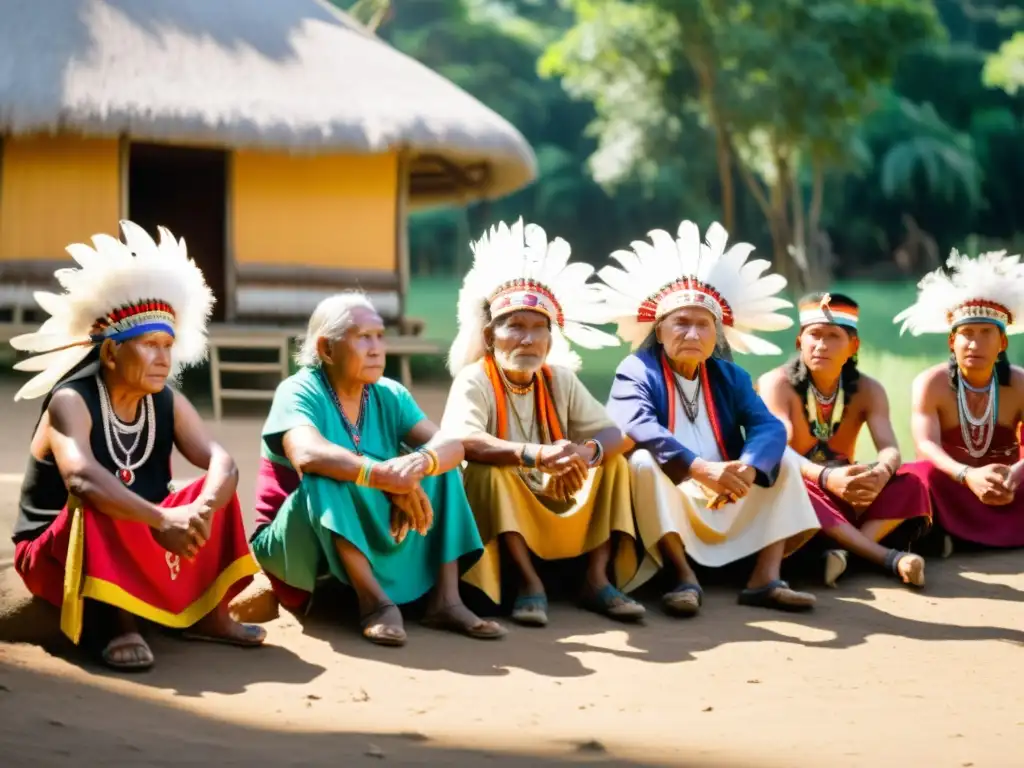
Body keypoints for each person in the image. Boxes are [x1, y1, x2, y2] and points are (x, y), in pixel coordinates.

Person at [10, 222, 264, 672]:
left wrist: (201, 507)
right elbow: (81, 479)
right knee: (97, 500)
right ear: (110, 354)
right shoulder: (73, 401)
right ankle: (117, 624)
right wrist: (162, 516)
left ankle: (209, 613)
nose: (164, 358)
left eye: (168, 345)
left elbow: (220, 458)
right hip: (56, 547)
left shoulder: (166, 401)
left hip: (141, 528)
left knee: (214, 485)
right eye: (150, 345)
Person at [250, 292, 504, 647]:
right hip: (294, 539)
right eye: (362, 337)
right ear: (326, 349)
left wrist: (416, 466)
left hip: (366, 519)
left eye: (380, 336)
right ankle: (374, 602)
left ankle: (446, 600)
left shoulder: (389, 394)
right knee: (326, 472)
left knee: (441, 467)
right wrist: (384, 477)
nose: (376, 348)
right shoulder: (298, 390)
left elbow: (451, 445)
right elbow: (307, 453)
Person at [598, 220, 820, 614]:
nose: (693, 333)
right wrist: (700, 469)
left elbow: (767, 426)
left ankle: (765, 578)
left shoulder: (730, 375)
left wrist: (747, 469)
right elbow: (635, 424)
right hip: (675, 487)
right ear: (659, 329)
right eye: (681, 322)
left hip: (726, 487)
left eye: (703, 325)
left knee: (781, 459)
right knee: (643, 463)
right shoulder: (637, 369)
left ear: (716, 334)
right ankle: (681, 576)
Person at [440, 218, 644, 627]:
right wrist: (536, 456)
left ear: (552, 339)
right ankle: (527, 583)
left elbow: (617, 433)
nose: (528, 339)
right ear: (490, 334)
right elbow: (464, 440)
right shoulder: (474, 377)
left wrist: (585, 453)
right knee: (489, 473)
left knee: (615, 463)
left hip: (553, 493)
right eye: (515, 326)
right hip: (504, 498)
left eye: (538, 329)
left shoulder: (559, 379)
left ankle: (596, 579)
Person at [757, 292, 930, 588]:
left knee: (912, 483)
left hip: (847, 491)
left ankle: (844, 554)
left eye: (833, 336)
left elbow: (889, 448)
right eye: (814, 335)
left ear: (853, 346)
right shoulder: (777, 384)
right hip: (804, 489)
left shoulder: (868, 389)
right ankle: (884, 557)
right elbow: (778, 447)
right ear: (800, 341)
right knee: (794, 490)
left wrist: (880, 473)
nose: (821, 345)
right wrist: (826, 477)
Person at [895, 249, 1024, 553]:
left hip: (1008, 486)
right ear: (952, 341)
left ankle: (950, 539)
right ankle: (942, 533)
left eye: (986, 334)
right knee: (917, 476)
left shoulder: (1020, 383)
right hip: (952, 483)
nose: (975, 343)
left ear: (1003, 342)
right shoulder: (931, 383)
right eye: (966, 333)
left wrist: (1016, 475)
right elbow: (926, 445)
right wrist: (968, 476)